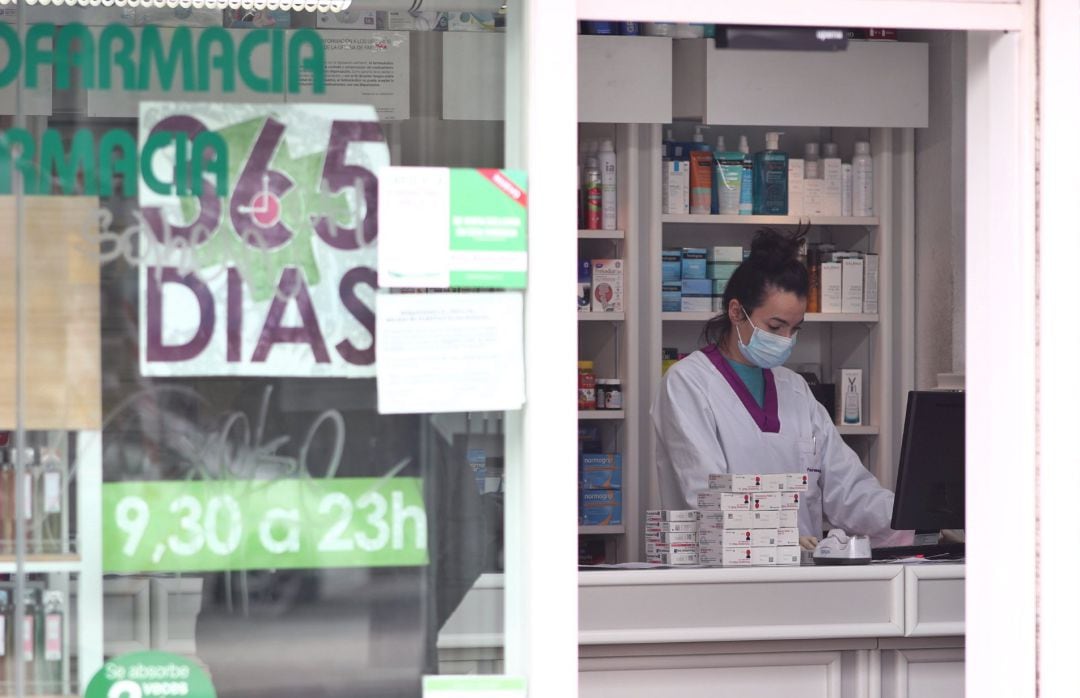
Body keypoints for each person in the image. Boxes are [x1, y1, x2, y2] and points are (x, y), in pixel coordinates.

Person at [651, 228, 908, 548]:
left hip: (799, 580)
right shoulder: (687, 383)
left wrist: (916, 522)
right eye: (775, 327)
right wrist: (776, 539)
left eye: (794, 328)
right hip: (719, 581)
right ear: (735, 312)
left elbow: (851, 491)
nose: (786, 339)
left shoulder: (795, 389)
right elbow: (706, 497)